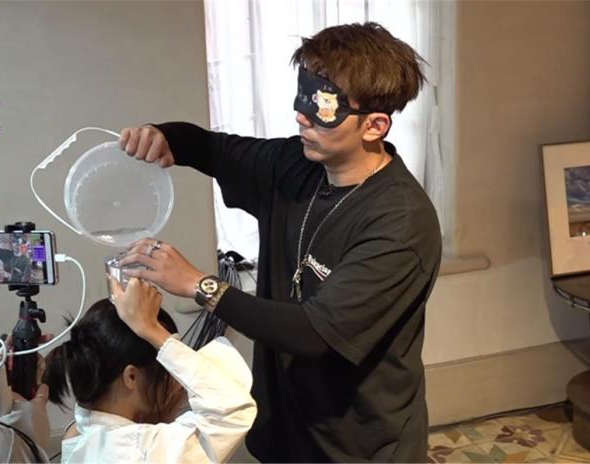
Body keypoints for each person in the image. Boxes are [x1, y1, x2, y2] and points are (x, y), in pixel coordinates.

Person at [119, 22, 442, 462]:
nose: (302, 116)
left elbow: (314, 332)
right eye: (303, 96)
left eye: (322, 105)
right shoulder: (294, 165)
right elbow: (209, 148)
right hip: (283, 432)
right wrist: (164, 136)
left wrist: (199, 284)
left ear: (374, 126)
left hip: (359, 447)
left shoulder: (400, 223)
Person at [42, 278, 256, 463]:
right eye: (166, 367)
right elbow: (233, 410)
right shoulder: (141, 450)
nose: (174, 380)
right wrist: (149, 329)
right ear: (131, 377)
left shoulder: (77, 433)